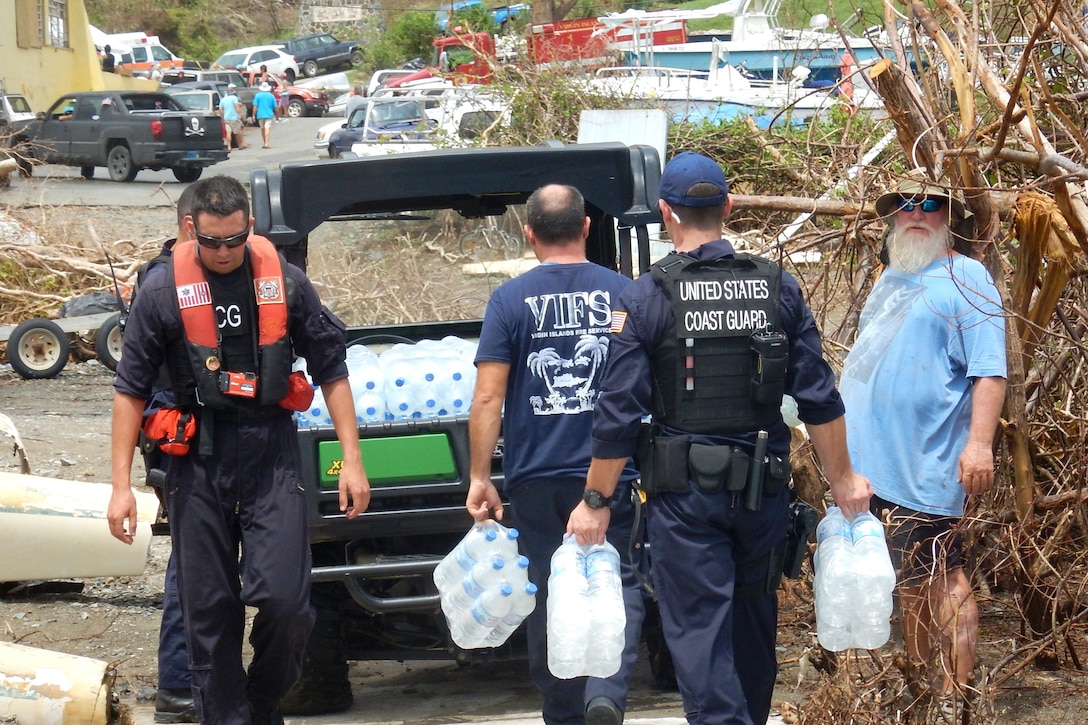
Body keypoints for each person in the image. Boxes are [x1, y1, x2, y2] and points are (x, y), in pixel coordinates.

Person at [571, 152, 872, 725]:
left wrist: (595, 502)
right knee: (754, 625)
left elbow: (617, 413)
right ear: (728, 208)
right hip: (762, 496)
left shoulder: (646, 296)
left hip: (685, 503)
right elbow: (819, 397)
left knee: (699, 634)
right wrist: (844, 482)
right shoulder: (777, 288)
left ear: (666, 213)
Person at [107, 175, 371, 725]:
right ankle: (227, 716)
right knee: (209, 611)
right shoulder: (160, 293)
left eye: (235, 239)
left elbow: (332, 371)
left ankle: (264, 698)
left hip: (270, 451)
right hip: (196, 458)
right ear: (190, 231)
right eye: (213, 242)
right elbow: (129, 392)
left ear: (250, 228)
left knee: (286, 602)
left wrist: (353, 461)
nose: (225, 252)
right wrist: (120, 488)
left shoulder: (289, 283)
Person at [466, 184, 643, 725]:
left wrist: (479, 475)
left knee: (547, 586)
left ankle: (563, 711)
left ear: (529, 233)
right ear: (587, 228)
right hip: (608, 471)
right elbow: (641, 386)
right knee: (618, 577)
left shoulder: (509, 300)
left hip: (535, 475)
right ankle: (606, 692)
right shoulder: (624, 294)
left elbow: (489, 395)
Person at [840, 173, 1006, 720]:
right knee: (909, 583)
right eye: (906, 205)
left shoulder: (968, 277)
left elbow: (988, 373)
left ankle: (953, 701)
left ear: (948, 216)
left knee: (944, 579)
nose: (917, 213)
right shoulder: (892, 276)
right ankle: (918, 690)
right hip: (873, 466)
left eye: (930, 204)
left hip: (928, 461)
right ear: (891, 219)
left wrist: (979, 444)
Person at [132, 182, 202, 725]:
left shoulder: (166, 277)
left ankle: (189, 682)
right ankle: (179, 686)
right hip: (180, 443)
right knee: (193, 563)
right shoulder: (165, 284)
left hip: (175, 440)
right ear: (189, 227)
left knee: (198, 560)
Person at [218, 83, 246, 150]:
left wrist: (223, 115)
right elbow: (237, 106)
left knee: (228, 132)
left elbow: (220, 109)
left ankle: (229, 146)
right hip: (234, 117)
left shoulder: (223, 99)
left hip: (226, 118)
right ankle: (240, 145)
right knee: (237, 132)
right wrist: (239, 114)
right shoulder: (234, 98)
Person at [252, 83, 277, 149]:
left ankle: (264, 142)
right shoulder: (271, 96)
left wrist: (253, 115)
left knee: (262, 128)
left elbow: (255, 106)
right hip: (269, 114)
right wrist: (277, 115)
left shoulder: (257, 96)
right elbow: (275, 107)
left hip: (260, 114)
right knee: (267, 128)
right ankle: (266, 143)